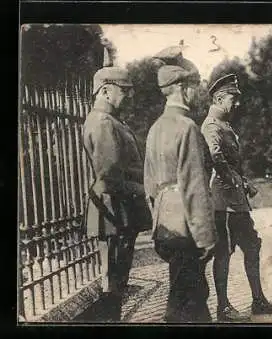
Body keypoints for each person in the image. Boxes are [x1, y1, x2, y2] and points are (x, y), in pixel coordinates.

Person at [201, 73, 272, 322]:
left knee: (252, 246)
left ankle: (258, 300)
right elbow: (216, 158)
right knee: (223, 253)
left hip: (235, 200)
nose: (237, 103)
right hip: (223, 202)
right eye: (232, 98)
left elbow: (230, 163)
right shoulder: (211, 126)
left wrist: (243, 182)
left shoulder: (225, 125)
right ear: (218, 98)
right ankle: (223, 308)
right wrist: (237, 181)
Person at [143, 46, 217, 323]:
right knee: (191, 302)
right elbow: (195, 186)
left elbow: (150, 186)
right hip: (187, 226)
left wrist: (159, 222)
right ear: (180, 88)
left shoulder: (155, 129)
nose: (197, 92)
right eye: (194, 85)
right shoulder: (187, 128)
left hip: (165, 225)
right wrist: (206, 237)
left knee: (183, 294)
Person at [83, 63, 150, 321]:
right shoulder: (102, 122)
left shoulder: (110, 120)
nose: (128, 96)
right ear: (105, 91)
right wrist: (144, 190)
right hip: (113, 210)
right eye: (124, 90)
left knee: (118, 278)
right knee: (113, 280)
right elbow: (110, 176)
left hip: (119, 208)